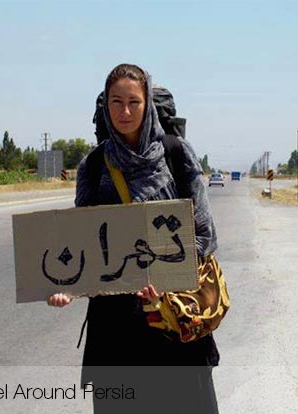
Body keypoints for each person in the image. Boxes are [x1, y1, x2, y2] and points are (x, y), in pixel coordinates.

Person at [48, 63, 220, 413]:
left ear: (147, 106)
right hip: (114, 331)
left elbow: (204, 235)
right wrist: (70, 286)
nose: (124, 111)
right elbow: (83, 245)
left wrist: (165, 272)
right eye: (116, 102)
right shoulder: (94, 166)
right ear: (105, 107)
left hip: (170, 316)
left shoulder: (175, 154)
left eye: (134, 102)